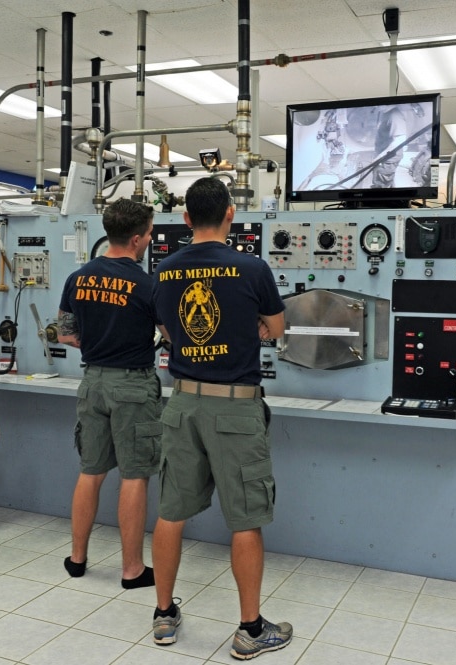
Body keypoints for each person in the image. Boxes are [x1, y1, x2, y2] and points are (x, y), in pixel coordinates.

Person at [150, 178, 292, 660]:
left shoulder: (164, 270)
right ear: (231, 215)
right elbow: (275, 329)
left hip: (182, 403)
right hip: (234, 406)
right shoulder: (252, 268)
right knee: (245, 517)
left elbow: (170, 332)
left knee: (171, 512)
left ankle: (164, 615)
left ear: (185, 219)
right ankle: (250, 629)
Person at [56, 198, 161, 589]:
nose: (151, 239)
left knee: (91, 471)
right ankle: (132, 569)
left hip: (93, 383)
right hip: (132, 385)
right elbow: (170, 335)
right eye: (150, 233)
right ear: (136, 239)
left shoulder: (78, 278)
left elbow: (66, 333)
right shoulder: (147, 284)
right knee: (134, 476)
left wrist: (98, 344)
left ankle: (77, 558)